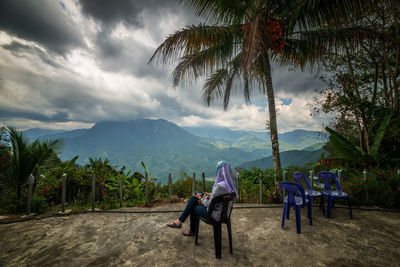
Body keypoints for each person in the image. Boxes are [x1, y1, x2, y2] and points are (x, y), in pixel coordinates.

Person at [167, 160, 238, 236]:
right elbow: (221, 197)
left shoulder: (219, 187)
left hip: (214, 214)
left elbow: (209, 204)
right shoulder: (230, 184)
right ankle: (180, 221)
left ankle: (188, 228)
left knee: (193, 206)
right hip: (224, 213)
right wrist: (211, 195)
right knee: (196, 194)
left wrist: (200, 198)